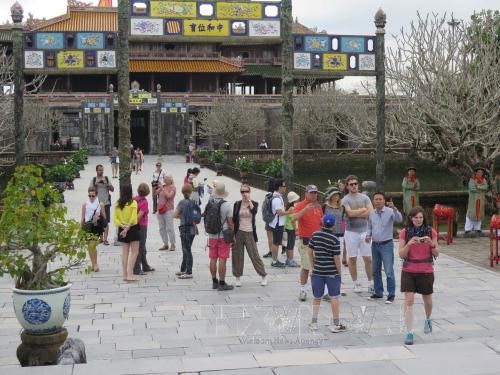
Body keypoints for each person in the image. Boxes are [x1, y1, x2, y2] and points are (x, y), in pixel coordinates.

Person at [398, 206, 439, 345]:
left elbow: (437, 253)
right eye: (415, 217)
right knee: (409, 299)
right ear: (411, 218)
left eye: (421, 217)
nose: (418, 220)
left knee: (427, 299)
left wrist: (431, 244)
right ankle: (409, 332)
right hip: (409, 269)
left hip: (426, 270)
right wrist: (409, 244)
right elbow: (401, 254)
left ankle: (428, 318)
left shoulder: (430, 231)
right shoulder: (405, 232)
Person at [307, 214, 346, 333]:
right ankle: (336, 323)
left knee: (317, 297)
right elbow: (336, 259)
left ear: (322, 223)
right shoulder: (334, 239)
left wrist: (312, 267)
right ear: (334, 225)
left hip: (317, 271)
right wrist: (340, 274)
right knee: (334, 297)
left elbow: (309, 252)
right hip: (331, 272)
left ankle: (313, 322)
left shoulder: (315, 235)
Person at [365, 192, 403, 304]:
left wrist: (395, 208)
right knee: (375, 270)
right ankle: (378, 292)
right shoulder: (371, 213)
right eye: (376, 199)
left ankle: (391, 294)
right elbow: (370, 226)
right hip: (375, 245)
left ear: (384, 200)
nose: (378, 201)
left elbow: (399, 219)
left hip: (386, 244)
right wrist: (368, 235)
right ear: (373, 201)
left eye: (380, 199)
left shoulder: (390, 211)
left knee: (389, 271)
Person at [341, 175, 373, 293]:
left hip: (365, 231)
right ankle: (355, 283)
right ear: (348, 186)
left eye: (356, 183)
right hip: (351, 232)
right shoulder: (345, 199)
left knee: (368, 258)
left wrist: (358, 213)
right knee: (352, 259)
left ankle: (371, 282)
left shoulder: (365, 197)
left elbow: (370, 211)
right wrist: (362, 211)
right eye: (351, 184)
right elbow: (349, 214)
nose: (354, 186)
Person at [232, 184, 268, 287]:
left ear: (249, 192)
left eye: (246, 191)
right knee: (237, 255)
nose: (244, 194)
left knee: (254, 255)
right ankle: (237, 277)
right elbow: (234, 219)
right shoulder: (237, 204)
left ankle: (263, 275)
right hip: (238, 232)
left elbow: (254, 211)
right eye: (242, 192)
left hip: (250, 232)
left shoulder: (254, 203)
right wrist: (233, 234)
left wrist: (249, 201)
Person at [292, 184, 323, 301]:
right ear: (306, 193)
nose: (314, 194)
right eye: (311, 192)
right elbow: (293, 218)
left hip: (319, 241)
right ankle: (303, 290)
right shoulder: (300, 205)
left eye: (315, 192)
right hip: (305, 242)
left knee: (320, 267)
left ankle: (323, 290)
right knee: (306, 267)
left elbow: (321, 222)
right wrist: (305, 209)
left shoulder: (319, 206)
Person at [206, 183, 234, 291]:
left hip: (212, 235)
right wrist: (233, 234)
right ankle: (222, 283)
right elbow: (230, 222)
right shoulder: (227, 205)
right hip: (223, 235)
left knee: (213, 258)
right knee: (222, 259)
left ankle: (214, 282)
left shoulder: (210, 202)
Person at [114, 184, 140, 282]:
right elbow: (134, 218)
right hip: (132, 228)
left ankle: (124, 275)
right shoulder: (133, 203)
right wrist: (127, 227)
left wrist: (122, 226)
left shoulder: (117, 203)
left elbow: (115, 219)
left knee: (125, 252)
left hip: (121, 228)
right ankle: (130, 274)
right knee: (135, 252)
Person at [323, 186, 347, 293]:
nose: (337, 196)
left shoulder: (342, 207)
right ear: (330, 196)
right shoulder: (324, 207)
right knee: (328, 260)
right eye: (334, 195)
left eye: (338, 195)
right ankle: (327, 284)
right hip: (327, 235)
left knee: (338, 259)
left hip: (339, 235)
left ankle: (339, 282)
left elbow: (344, 221)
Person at [173, 184, 196, 279]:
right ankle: (183, 269)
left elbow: (175, 215)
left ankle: (189, 272)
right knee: (187, 248)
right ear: (191, 193)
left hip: (185, 228)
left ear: (182, 193)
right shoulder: (194, 202)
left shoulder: (182, 202)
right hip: (193, 228)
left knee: (186, 250)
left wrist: (182, 217)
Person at [81, 186, 106, 272]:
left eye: (93, 196)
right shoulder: (85, 204)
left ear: (96, 195)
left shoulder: (101, 204)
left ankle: (95, 264)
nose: (91, 197)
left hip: (96, 227)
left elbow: (104, 219)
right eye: (89, 196)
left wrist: (99, 218)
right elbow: (83, 218)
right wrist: (81, 230)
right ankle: (93, 264)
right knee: (89, 246)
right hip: (87, 226)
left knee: (93, 245)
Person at [90, 164, 114, 245]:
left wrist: (107, 184)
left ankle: (105, 239)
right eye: (99, 170)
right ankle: (100, 238)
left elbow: (112, 189)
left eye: (102, 170)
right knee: (97, 221)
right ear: (96, 171)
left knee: (106, 221)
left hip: (106, 203)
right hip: (96, 204)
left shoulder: (106, 179)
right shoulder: (93, 180)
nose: (101, 171)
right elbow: (90, 191)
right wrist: (95, 185)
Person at [133, 183, 154, 275]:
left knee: (142, 247)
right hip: (141, 226)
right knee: (140, 247)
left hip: (134, 226)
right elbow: (139, 217)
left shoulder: (134, 199)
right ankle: (137, 268)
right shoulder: (144, 202)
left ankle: (145, 265)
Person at [268, 179, 287, 268]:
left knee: (276, 242)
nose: (285, 188)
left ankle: (275, 260)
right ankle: (275, 261)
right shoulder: (277, 199)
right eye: (284, 186)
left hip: (276, 223)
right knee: (276, 243)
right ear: (279, 187)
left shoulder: (277, 196)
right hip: (277, 224)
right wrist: (289, 212)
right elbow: (279, 213)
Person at [465, 167, 489, 235]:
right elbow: (472, 188)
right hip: (473, 200)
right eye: (478, 172)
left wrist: (478, 187)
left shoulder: (484, 180)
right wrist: (481, 188)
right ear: (476, 172)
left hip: (481, 199)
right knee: (471, 213)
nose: (480, 173)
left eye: (481, 172)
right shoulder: (472, 180)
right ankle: (468, 229)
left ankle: (477, 228)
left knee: (479, 214)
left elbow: (486, 187)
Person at [156, 175, 176, 251]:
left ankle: (173, 244)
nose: (164, 180)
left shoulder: (173, 188)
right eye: (164, 179)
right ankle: (165, 244)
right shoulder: (163, 186)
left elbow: (169, 196)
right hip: (160, 209)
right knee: (161, 228)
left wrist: (162, 189)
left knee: (170, 228)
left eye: (166, 179)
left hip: (168, 209)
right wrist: (156, 187)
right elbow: (155, 193)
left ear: (170, 180)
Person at [283, 191, 300, 267]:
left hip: (287, 227)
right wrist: (296, 229)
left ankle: (288, 259)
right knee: (291, 245)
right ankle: (290, 260)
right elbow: (293, 220)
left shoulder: (288, 206)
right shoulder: (293, 208)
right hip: (291, 228)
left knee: (289, 244)